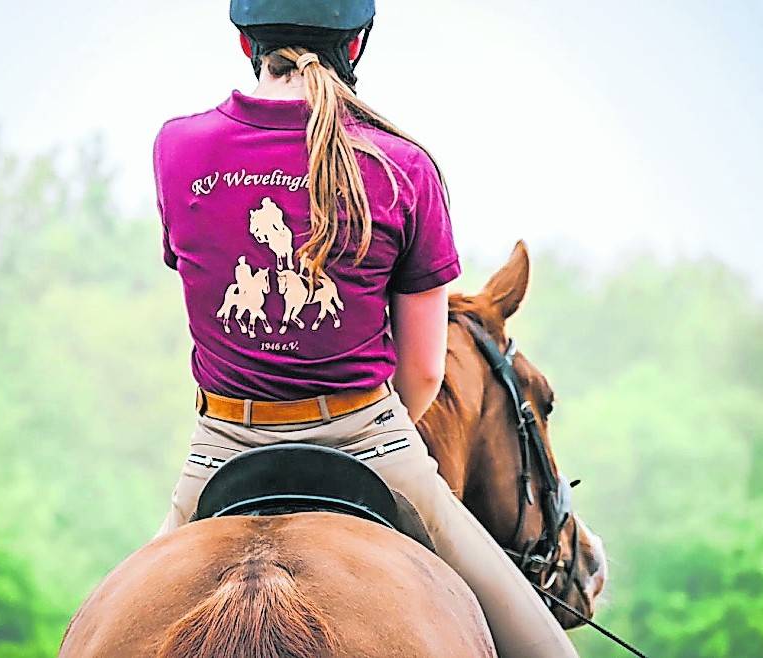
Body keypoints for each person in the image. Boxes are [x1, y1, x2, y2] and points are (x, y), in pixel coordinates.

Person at [151, 2, 578, 656]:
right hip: (367, 442)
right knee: (549, 652)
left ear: (245, 43)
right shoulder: (405, 166)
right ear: (356, 47)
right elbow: (427, 372)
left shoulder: (177, 148)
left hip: (222, 443)